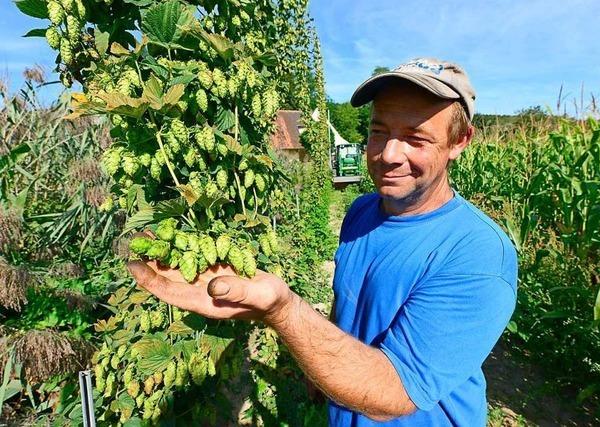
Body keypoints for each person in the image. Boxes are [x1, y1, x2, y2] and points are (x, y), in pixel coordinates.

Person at [127, 57, 517, 426]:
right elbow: (346, 299)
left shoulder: (478, 254)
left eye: (415, 138)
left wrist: (282, 310)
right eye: (378, 131)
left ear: (460, 141)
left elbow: (393, 390)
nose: (389, 154)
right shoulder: (362, 212)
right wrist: (319, 367)